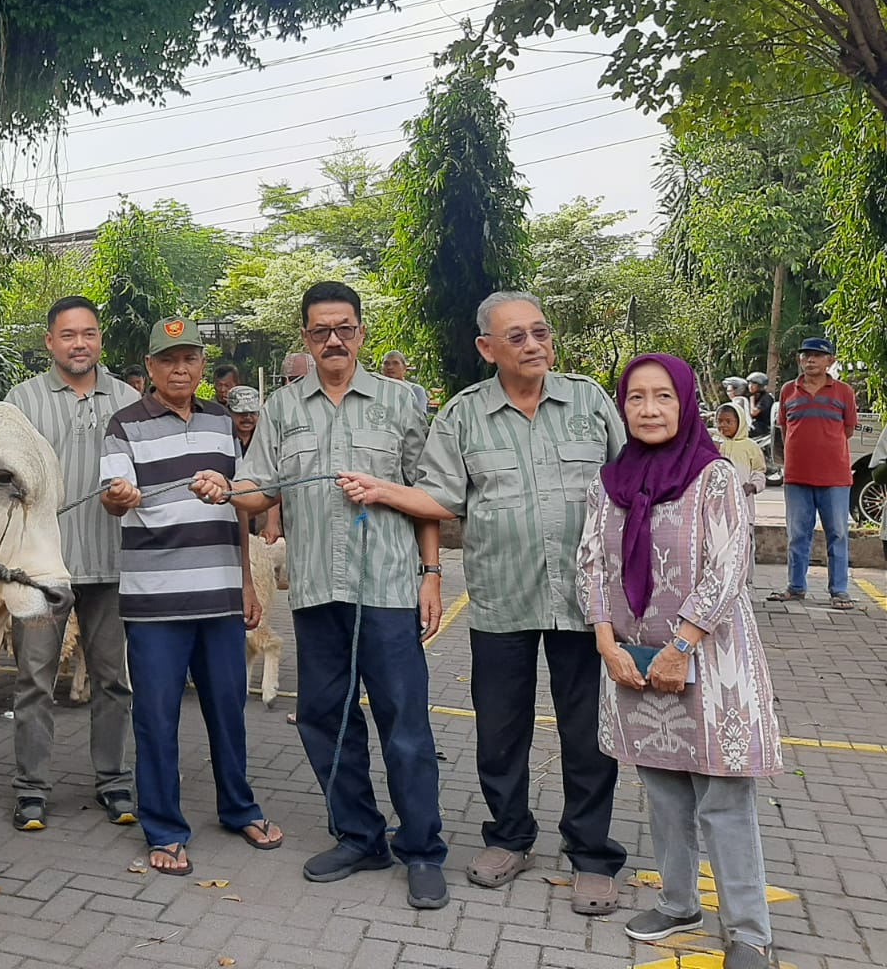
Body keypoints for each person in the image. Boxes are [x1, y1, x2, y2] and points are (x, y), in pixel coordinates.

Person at [342, 290, 628, 914]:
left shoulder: (588, 401)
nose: (533, 345)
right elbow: (441, 498)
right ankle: (509, 837)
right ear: (486, 348)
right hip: (501, 598)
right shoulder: (466, 415)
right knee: (501, 731)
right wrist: (385, 490)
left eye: (540, 333)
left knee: (586, 733)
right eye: (517, 337)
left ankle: (591, 854)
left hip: (587, 602)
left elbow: (632, 482)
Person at [202, 282, 449, 909]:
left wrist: (431, 573)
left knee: (405, 724)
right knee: (324, 718)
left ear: (361, 332)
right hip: (316, 590)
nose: (333, 340)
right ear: (306, 339)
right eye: (319, 331)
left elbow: (432, 497)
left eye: (343, 328)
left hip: (389, 588)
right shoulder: (284, 411)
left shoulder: (400, 403)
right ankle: (360, 835)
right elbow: (260, 490)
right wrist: (225, 489)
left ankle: (421, 848)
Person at [578, 354, 781, 969]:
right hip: (634, 662)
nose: (648, 409)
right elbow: (590, 564)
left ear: (685, 401)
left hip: (710, 661)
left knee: (722, 798)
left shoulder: (713, 476)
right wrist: (606, 642)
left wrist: (683, 643)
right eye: (636, 398)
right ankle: (677, 903)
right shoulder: (608, 481)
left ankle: (748, 932)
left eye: (662, 396)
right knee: (662, 790)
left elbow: (728, 568)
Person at [100, 317, 282, 876]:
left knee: (228, 710)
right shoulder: (123, 424)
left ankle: (238, 807)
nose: (181, 369)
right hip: (154, 601)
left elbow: (242, 504)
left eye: (190, 359)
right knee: (156, 717)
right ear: (151, 368)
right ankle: (164, 828)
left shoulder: (222, 422)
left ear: (202, 366)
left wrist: (248, 582)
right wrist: (122, 495)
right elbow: (113, 498)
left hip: (221, 595)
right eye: (168, 360)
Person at [4, 296, 140, 832]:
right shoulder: (23, 402)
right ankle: (31, 789)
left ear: (100, 339)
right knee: (34, 682)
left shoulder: (130, 400)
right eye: (68, 335)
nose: (79, 343)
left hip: (112, 563)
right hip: (43, 569)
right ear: (50, 342)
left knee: (113, 680)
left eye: (88, 334)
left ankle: (114, 782)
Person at [769, 336, 856, 609]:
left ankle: (839, 591)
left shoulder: (844, 392)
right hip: (796, 477)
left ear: (830, 361)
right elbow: (785, 429)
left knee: (838, 534)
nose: (810, 360)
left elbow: (848, 429)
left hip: (835, 478)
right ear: (799, 359)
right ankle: (796, 587)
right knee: (797, 535)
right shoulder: (788, 391)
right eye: (805, 355)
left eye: (817, 356)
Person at [714, 403, 766, 496]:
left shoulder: (750, 446)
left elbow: (759, 471)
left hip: (742, 496)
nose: (723, 425)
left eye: (728, 421)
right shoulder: (713, 442)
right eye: (719, 421)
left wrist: (753, 485)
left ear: (739, 422)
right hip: (717, 497)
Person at [380, 349, 431, 413]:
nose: (390, 367)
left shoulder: (416, 390)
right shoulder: (377, 390)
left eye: (395, 363)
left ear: (404, 368)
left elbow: (420, 419)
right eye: (386, 363)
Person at [227, 384, 262, 454]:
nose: (247, 417)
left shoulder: (265, 439)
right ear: (230, 412)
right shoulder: (223, 438)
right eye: (242, 413)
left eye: (252, 413)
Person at [746, 372, 774, 440]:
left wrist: (751, 398)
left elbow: (753, 412)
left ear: (760, 386)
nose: (750, 386)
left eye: (754, 384)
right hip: (755, 426)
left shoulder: (766, 397)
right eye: (749, 383)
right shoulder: (756, 397)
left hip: (763, 428)